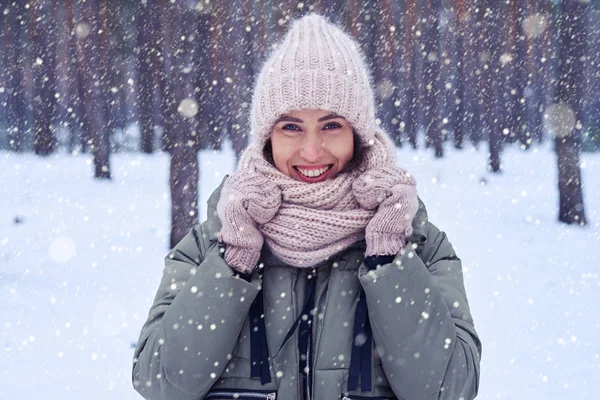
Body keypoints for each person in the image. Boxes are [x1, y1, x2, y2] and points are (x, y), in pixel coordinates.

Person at [132, 13, 481, 400]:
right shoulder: (212, 242)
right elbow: (161, 383)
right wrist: (233, 261)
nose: (312, 151)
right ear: (267, 137)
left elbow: (450, 389)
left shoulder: (417, 242)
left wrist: (388, 258)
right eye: (291, 127)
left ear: (358, 135)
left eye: (331, 126)